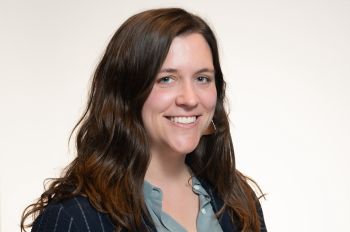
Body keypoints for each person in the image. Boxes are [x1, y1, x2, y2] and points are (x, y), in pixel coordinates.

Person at [21, 8, 267, 232]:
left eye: (202, 78)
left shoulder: (238, 201)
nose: (190, 99)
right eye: (166, 79)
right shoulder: (75, 217)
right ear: (126, 92)